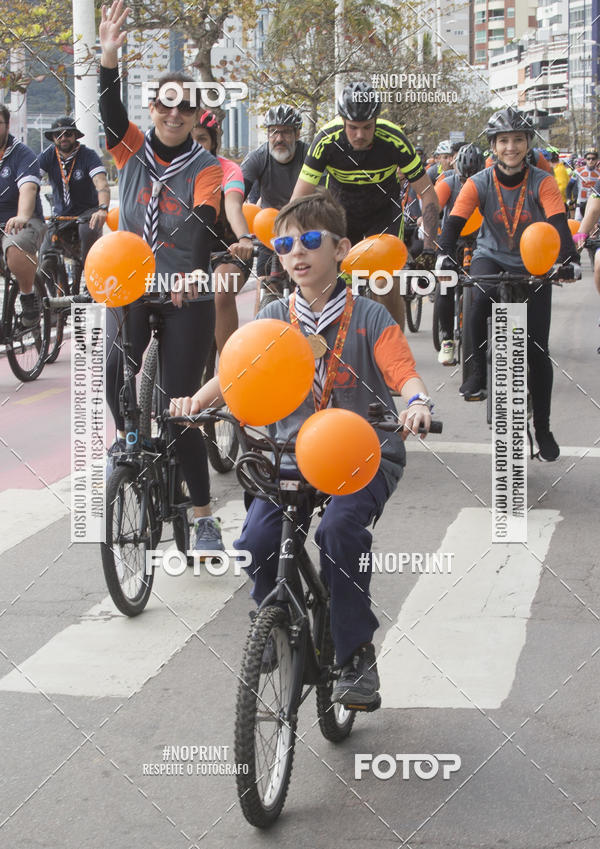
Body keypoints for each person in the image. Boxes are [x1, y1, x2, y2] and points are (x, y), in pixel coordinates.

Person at [170, 189, 434, 708]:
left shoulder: (369, 315)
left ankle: (356, 652)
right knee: (256, 540)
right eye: (285, 243)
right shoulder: (274, 313)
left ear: (340, 249)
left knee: (339, 531)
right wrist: (194, 403)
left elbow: (401, 368)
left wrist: (417, 402)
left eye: (311, 240)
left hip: (358, 454)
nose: (297, 251)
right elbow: (237, 369)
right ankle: (277, 612)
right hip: (285, 453)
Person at [99, 0, 225, 551]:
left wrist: (184, 274)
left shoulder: (206, 168)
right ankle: (130, 442)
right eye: (164, 105)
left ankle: (201, 514)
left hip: (185, 296)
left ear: (197, 116)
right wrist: (108, 56)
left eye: (185, 108)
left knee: (180, 406)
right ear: (152, 109)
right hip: (128, 286)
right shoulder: (129, 149)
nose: (174, 115)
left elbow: (201, 224)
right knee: (115, 377)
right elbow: (106, 110)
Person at [437, 107, 580, 461]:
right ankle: (474, 374)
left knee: (537, 351)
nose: (511, 147)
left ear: (528, 143)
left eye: (518, 140)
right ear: (494, 146)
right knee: (475, 296)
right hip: (492, 257)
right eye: (504, 141)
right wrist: (444, 256)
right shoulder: (479, 182)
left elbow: (559, 223)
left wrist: (568, 259)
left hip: (535, 264)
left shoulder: (542, 181)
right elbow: (454, 222)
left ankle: (543, 428)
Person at [291, 81, 439, 329]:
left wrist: (429, 248)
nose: (360, 134)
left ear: (376, 122)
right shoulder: (327, 140)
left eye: (367, 127)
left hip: (383, 215)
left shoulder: (394, 139)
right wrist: (296, 242)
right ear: (342, 122)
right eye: (353, 128)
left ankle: (394, 351)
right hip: (341, 216)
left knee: (384, 281)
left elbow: (427, 192)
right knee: (335, 285)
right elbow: (299, 198)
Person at [191, 111, 254, 352]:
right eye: (191, 140)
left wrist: (244, 239)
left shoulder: (229, 170)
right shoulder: (174, 171)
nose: (196, 147)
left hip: (226, 252)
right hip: (186, 251)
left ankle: (229, 371)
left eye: (202, 139)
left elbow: (233, 206)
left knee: (222, 288)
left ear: (214, 142)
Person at [241, 105, 309, 306]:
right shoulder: (258, 157)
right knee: (264, 283)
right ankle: (260, 329)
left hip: (304, 226)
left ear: (297, 133)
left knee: (309, 284)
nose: (279, 138)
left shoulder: (310, 155)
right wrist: (237, 235)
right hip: (269, 230)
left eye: (286, 132)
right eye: (273, 131)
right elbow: (236, 197)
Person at [434, 142, 484, 365]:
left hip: (481, 241)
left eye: (472, 177)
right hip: (451, 241)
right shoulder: (447, 183)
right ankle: (447, 340)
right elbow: (431, 207)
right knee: (445, 285)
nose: (467, 184)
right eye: (464, 178)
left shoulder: (489, 183)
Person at [38, 115, 110, 267]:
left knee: (88, 232)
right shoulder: (47, 156)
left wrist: (103, 208)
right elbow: (30, 182)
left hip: (87, 213)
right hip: (61, 216)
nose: (63, 138)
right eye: (58, 134)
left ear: (76, 135)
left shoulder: (88, 155)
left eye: (68, 134)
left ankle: (90, 276)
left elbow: (101, 182)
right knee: (44, 251)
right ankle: (44, 288)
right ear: (52, 137)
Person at [0, 103, 46, 326]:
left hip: (25, 221)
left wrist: (21, 215)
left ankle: (27, 296)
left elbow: (28, 188)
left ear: (7, 125)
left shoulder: (22, 154)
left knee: (16, 247)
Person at [567, 149, 600, 220]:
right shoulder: (578, 172)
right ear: (585, 159)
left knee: (595, 228)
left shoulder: (599, 173)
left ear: (597, 160)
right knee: (578, 227)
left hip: (594, 205)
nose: (591, 161)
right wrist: (569, 198)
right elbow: (569, 186)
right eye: (588, 158)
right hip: (580, 204)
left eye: (593, 158)